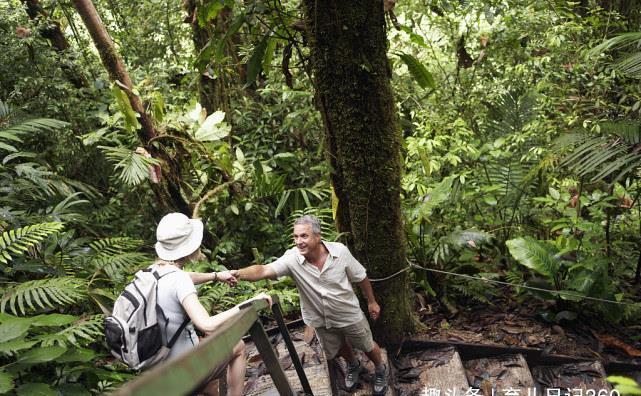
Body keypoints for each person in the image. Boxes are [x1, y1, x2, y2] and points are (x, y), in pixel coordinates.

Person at [232, 215, 389, 394]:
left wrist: (372, 301)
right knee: (338, 346)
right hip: (319, 318)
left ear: (317, 236)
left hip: (347, 312)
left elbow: (360, 276)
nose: (299, 241)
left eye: (304, 236)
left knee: (367, 345)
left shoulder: (340, 252)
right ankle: (353, 365)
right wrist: (238, 274)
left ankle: (379, 368)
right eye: (296, 237)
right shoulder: (292, 258)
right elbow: (264, 270)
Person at [153, 212, 269, 396]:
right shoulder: (179, 279)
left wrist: (215, 276)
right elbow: (207, 324)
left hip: (156, 369)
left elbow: (187, 277)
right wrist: (250, 302)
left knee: (212, 380)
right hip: (183, 371)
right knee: (237, 346)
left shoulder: (151, 273)